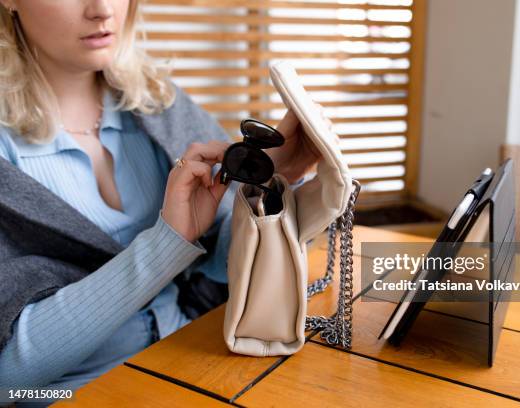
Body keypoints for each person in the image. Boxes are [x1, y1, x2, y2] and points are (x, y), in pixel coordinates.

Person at [0, 0, 323, 400]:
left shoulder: (158, 102)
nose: (102, 9)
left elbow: (223, 267)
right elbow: (7, 374)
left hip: (190, 359)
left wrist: (277, 182)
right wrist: (167, 244)